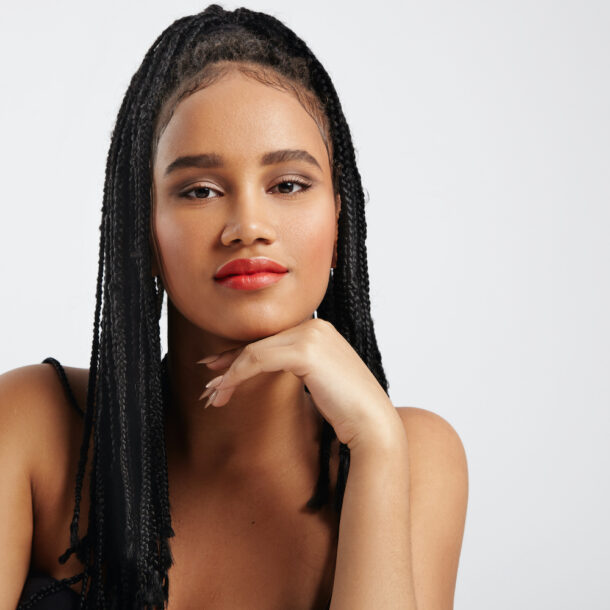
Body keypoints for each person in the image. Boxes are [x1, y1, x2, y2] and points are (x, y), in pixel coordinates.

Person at [2, 4, 468, 609]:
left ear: (339, 225)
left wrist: (376, 446)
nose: (248, 226)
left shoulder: (410, 455)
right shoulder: (35, 426)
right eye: (199, 190)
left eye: (289, 185)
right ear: (142, 232)